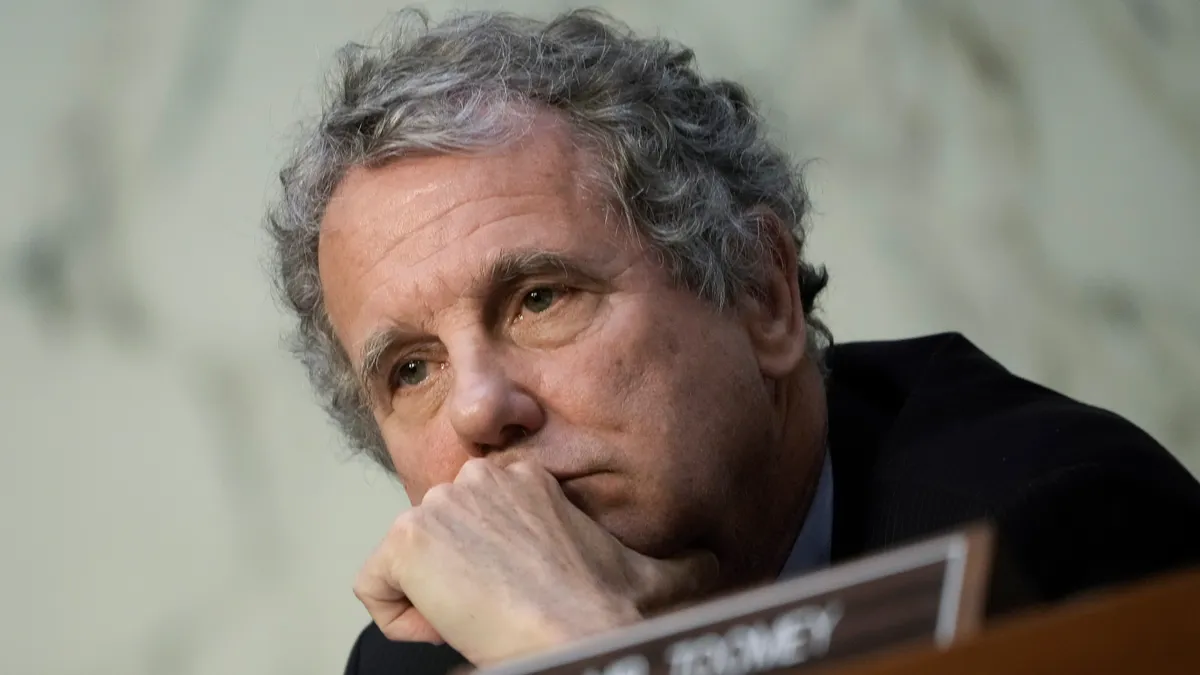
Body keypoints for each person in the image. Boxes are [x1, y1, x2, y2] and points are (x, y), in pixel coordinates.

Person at [264, 9, 1200, 675]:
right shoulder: (428, 656)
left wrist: (592, 652)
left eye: (540, 298)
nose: (477, 408)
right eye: (411, 369)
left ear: (761, 295)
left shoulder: (1057, 532)